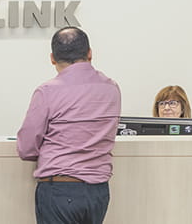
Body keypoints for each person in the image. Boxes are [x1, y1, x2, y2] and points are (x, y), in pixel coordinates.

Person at [16, 27, 121, 224]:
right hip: (99, 192)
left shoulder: (47, 92)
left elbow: (26, 148)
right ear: (90, 53)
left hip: (60, 190)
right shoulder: (111, 88)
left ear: (52, 58)